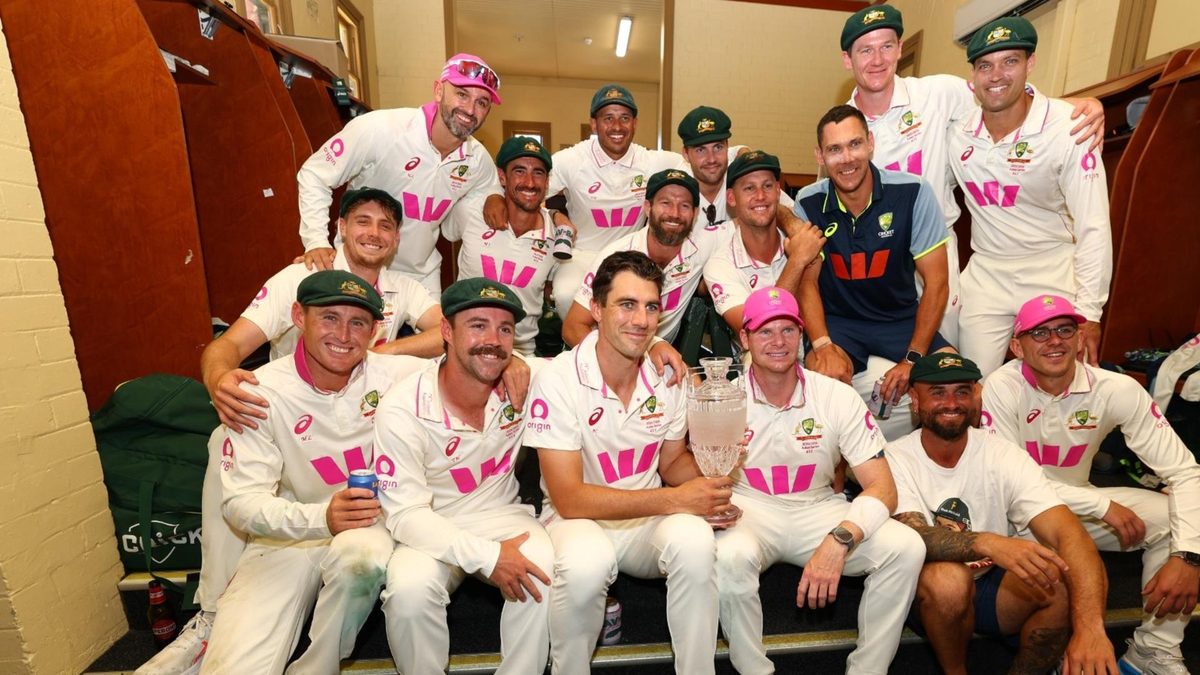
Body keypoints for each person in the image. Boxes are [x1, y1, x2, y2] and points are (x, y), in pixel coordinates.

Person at [137, 189, 443, 675]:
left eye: (385, 225)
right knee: (227, 438)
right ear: (339, 227)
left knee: (361, 555)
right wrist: (220, 382)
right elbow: (231, 342)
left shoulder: (401, 292)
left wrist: (378, 356)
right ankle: (213, 613)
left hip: (356, 486)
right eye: (362, 221)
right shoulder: (297, 277)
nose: (373, 233)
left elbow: (454, 338)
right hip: (282, 444)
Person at [838, 4, 1106, 348]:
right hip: (881, 255)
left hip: (938, 247)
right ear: (848, 60)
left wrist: (1074, 107)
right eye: (865, 50)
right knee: (889, 352)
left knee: (949, 360)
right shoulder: (841, 125)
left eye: (886, 46)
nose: (877, 59)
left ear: (900, 49)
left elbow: (1004, 98)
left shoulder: (939, 93)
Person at [199, 271, 427, 674]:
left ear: (375, 331)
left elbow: (471, 359)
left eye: (358, 322)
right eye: (329, 317)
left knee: (362, 559)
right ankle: (210, 621)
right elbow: (240, 504)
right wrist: (320, 518)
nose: (344, 334)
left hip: (367, 525)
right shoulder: (259, 391)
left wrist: (514, 365)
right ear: (298, 317)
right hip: (291, 529)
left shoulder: (396, 375)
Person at [526, 250, 733, 675]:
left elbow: (672, 461)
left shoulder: (667, 375)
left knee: (696, 541)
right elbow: (569, 499)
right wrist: (678, 500)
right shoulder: (558, 378)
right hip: (576, 520)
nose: (641, 320)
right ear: (597, 310)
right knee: (587, 562)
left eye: (651, 307)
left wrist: (709, 484)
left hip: (642, 520)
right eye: (626, 305)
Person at [983, 294, 1200, 673]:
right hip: (1012, 519)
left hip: (1078, 506)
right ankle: (1059, 647)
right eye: (1040, 333)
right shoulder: (1000, 386)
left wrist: (1189, 556)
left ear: (1080, 338)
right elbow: (1012, 483)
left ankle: (1153, 651)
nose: (1055, 340)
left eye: (1065, 329)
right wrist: (1101, 506)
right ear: (1017, 346)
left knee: (1175, 519)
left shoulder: (1116, 388)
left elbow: (1185, 472)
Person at [715, 286, 924, 675]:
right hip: (749, 507)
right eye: (764, 331)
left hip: (817, 506)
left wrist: (841, 537)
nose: (778, 342)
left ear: (802, 334)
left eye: (788, 331)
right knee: (729, 555)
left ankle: (867, 671)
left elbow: (883, 488)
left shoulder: (837, 396)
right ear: (744, 338)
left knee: (906, 547)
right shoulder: (723, 397)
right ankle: (753, 671)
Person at [889, 353, 1117, 675]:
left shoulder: (1003, 454)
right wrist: (990, 543)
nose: (952, 402)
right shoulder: (896, 457)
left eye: (962, 391)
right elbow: (913, 535)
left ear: (974, 398)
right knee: (948, 580)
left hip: (991, 588)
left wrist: (1091, 628)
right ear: (915, 399)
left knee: (1061, 575)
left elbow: (1070, 535)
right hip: (924, 592)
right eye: (938, 392)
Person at [374, 278, 553, 674]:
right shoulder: (402, 407)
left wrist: (658, 345)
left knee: (541, 569)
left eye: (504, 329)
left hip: (500, 513)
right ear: (446, 332)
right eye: (477, 325)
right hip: (429, 523)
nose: (493, 339)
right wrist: (487, 557)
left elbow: (592, 362)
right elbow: (404, 516)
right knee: (408, 591)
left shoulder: (527, 379)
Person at [949, 18, 1112, 376]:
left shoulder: (1070, 127)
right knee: (973, 385)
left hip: (1050, 268)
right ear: (973, 78)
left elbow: (1094, 226)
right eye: (985, 66)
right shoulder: (957, 132)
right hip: (987, 272)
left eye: (1010, 61)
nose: (997, 75)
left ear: (1030, 64)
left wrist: (1090, 313)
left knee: (1061, 385)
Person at [795, 104, 953, 439]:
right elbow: (806, 283)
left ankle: (929, 478)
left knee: (951, 382)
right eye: (834, 149)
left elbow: (937, 283)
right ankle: (837, 484)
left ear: (870, 143)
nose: (847, 158)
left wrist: (912, 360)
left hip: (899, 318)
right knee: (823, 383)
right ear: (820, 156)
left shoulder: (913, 193)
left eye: (854, 144)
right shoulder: (808, 202)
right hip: (841, 322)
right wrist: (822, 344)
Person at [296, 54, 504, 294]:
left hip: (420, 278)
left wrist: (494, 195)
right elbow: (314, 174)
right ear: (438, 91)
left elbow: (490, 186)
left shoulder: (477, 160)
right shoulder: (380, 129)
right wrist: (316, 242)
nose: (470, 109)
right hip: (358, 265)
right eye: (462, 94)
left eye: (482, 102)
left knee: (438, 331)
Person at [537, 84, 686, 320]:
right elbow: (530, 189)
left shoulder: (650, 161)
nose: (617, 126)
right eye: (608, 118)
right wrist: (555, 215)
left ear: (635, 123)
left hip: (632, 255)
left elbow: (701, 164)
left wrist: (738, 152)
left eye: (625, 118)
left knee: (641, 303)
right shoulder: (572, 160)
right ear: (594, 124)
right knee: (566, 293)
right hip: (583, 254)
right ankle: (582, 350)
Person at [561, 169, 746, 345]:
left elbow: (754, 217)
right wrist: (616, 359)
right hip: (613, 353)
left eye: (685, 206)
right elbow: (572, 327)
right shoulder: (616, 256)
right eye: (665, 203)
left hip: (660, 358)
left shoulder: (703, 245)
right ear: (648, 208)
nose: (674, 213)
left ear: (695, 214)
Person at [446, 136, 561, 356]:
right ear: (502, 177)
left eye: (538, 172)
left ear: (547, 182)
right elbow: (444, 233)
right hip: (464, 346)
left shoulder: (557, 237)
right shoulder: (471, 212)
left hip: (521, 352)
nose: (529, 182)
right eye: (519, 171)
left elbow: (551, 292)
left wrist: (556, 216)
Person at [704, 151, 825, 315]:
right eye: (749, 188)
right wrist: (797, 261)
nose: (760, 196)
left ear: (777, 191)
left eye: (767, 186)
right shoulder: (720, 266)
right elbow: (755, 328)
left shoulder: (802, 241)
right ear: (731, 198)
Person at [673, 105, 796, 230]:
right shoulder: (676, 189)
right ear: (686, 154)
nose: (712, 159)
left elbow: (789, 209)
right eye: (700, 150)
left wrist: (792, 227)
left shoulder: (740, 175)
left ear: (727, 147)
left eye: (718, 147)